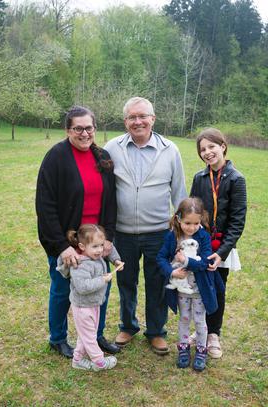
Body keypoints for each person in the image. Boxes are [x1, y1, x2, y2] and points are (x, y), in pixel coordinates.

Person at [104, 97, 187, 355]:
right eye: (132, 117)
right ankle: (128, 326)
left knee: (157, 282)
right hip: (123, 233)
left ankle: (156, 331)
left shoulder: (170, 149)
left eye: (142, 116)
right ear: (125, 121)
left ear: (153, 118)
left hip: (158, 233)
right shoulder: (112, 148)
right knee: (126, 281)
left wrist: (182, 236)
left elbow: (179, 194)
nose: (137, 121)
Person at [36, 105, 120, 358]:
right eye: (78, 128)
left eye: (89, 128)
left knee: (99, 288)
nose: (84, 133)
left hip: (97, 242)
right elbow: (45, 205)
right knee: (62, 289)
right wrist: (62, 247)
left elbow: (111, 202)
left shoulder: (102, 156)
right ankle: (58, 338)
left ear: (95, 128)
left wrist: (108, 240)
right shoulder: (56, 157)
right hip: (68, 241)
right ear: (68, 130)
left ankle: (95, 336)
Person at [190, 127, 247, 358]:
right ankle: (200, 329)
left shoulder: (236, 179)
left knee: (217, 289)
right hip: (201, 245)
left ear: (223, 146)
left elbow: (237, 222)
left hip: (221, 248)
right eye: (203, 149)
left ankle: (213, 333)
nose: (207, 152)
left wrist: (221, 253)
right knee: (200, 287)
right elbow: (193, 212)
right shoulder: (199, 178)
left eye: (211, 146)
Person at [157, 197, 224, 371]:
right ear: (179, 218)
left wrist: (186, 261)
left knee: (200, 321)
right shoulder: (173, 236)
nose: (192, 227)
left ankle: (201, 350)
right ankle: (183, 348)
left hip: (199, 290)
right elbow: (161, 258)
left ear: (201, 220)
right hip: (181, 289)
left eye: (196, 223)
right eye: (188, 223)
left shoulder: (203, 236)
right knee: (185, 318)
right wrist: (172, 272)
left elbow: (205, 263)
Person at [57, 224, 124, 371]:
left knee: (87, 334)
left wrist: (116, 261)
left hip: (93, 304)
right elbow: (82, 287)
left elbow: (110, 249)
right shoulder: (80, 265)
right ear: (82, 246)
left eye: (101, 245)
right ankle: (99, 362)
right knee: (89, 337)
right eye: (95, 246)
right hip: (82, 307)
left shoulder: (96, 257)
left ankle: (78, 359)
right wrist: (102, 280)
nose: (100, 250)